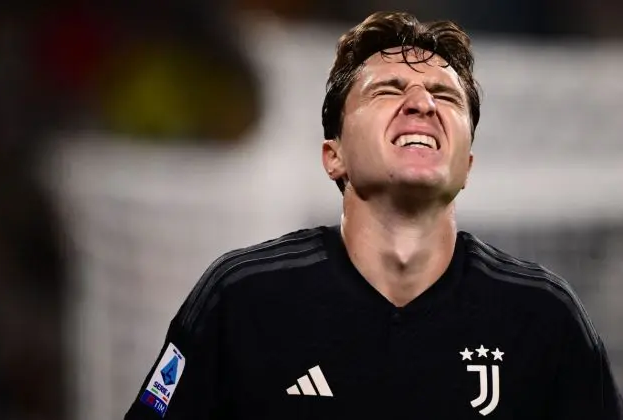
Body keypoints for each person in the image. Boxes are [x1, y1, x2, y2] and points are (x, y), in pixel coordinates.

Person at [124, 11, 623, 419]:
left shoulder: (545, 317)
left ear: (466, 165)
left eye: (446, 96)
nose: (423, 103)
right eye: (388, 90)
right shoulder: (240, 299)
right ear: (333, 156)